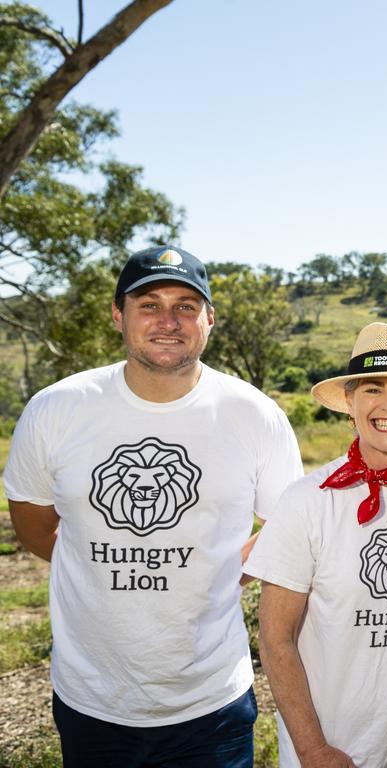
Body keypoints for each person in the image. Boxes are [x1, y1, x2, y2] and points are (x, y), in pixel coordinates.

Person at [2, 245, 303, 767]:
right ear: (119, 315)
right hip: (91, 696)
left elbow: (288, 528)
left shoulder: (254, 415)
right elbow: (32, 525)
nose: (169, 320)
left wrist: (221, 572)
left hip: (211, 700)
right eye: (149, 304)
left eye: (186, 306)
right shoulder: (57, 408)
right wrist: (97, 564)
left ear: (210, 319)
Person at [244, 321, 387, 768]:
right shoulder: (307, 501)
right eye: (372, 389)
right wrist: (313, 750)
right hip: (329, 753)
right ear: (349, 401)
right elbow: (275, 639)